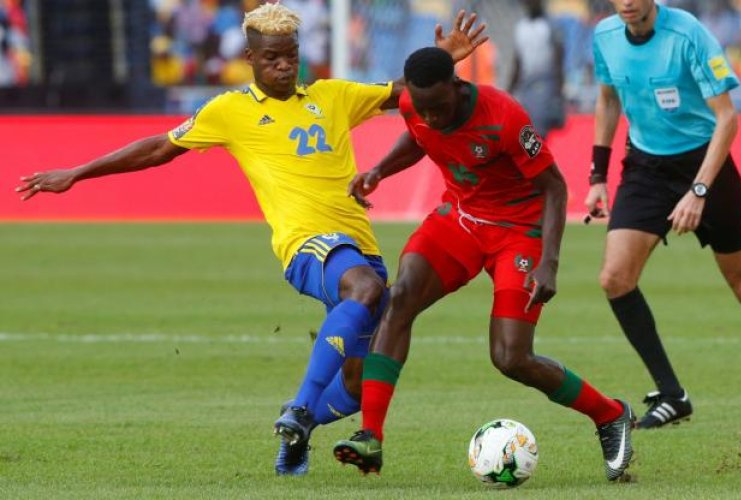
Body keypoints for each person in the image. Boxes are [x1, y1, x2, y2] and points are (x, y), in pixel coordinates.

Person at [14, 3, 488, 476]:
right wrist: (76, 172)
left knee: (360, 382)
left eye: (290, 55)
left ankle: (298, 430)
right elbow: (160, 147)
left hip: (358, 245)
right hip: (306, 245)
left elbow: (407, 92)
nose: (284, 65)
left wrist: (442, 59)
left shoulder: (334, 96)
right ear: (250, 58)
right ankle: (301, 408)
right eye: (272, 58)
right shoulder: (231, 111)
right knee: (364, 289)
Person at [333, 46, 635, 482]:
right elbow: (420, 137)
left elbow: (554, 187)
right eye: (423, 108)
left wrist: (549, 263)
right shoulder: (412, 103)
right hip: (460, 219)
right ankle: (370, 436)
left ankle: (609, 415)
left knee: (511, 357)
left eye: (438, 107)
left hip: (519, 232)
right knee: (399, 298)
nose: (431, 117)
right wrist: (380, 169)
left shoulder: (504, 116)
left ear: (457, 86)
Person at [585, 0, 741, 429]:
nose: (627, 2)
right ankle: (673, 396)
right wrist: (597, 175)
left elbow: (727, 119)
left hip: (705, 162)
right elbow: (607, 101)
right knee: (614, 278)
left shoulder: (688, 33)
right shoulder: (604, 36)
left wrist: (699, 191)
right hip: (645, 167)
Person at [508, 0, 566, 139]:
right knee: (525, 128)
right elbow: (518, 61)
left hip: (545, 83)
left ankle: (539, 158)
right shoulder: (521, 27)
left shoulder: (549, 25)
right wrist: (510, 89)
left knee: (538, 130)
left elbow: (558, 59)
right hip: (526, 85)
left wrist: (558, 90)